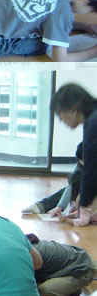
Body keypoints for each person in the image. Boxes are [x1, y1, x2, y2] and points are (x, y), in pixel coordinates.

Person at [52, 83, 97, 226]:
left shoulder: (93, 123)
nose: (60, 120)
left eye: (60, 113)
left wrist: (84, 204)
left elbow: (91, 168)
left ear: (74, 109)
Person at [26, 235, 96, 296]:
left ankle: (73, 288)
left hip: (83, 269)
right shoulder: (25, 245)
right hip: (68, 262)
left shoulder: (26, 254)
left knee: (44, 292)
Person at [22, 143, 83, 216]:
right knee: (71, 187)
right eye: (80, 160)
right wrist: (60, 206)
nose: (82, 163)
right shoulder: (80, 166)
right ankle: (41, 206)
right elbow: (71, 186)